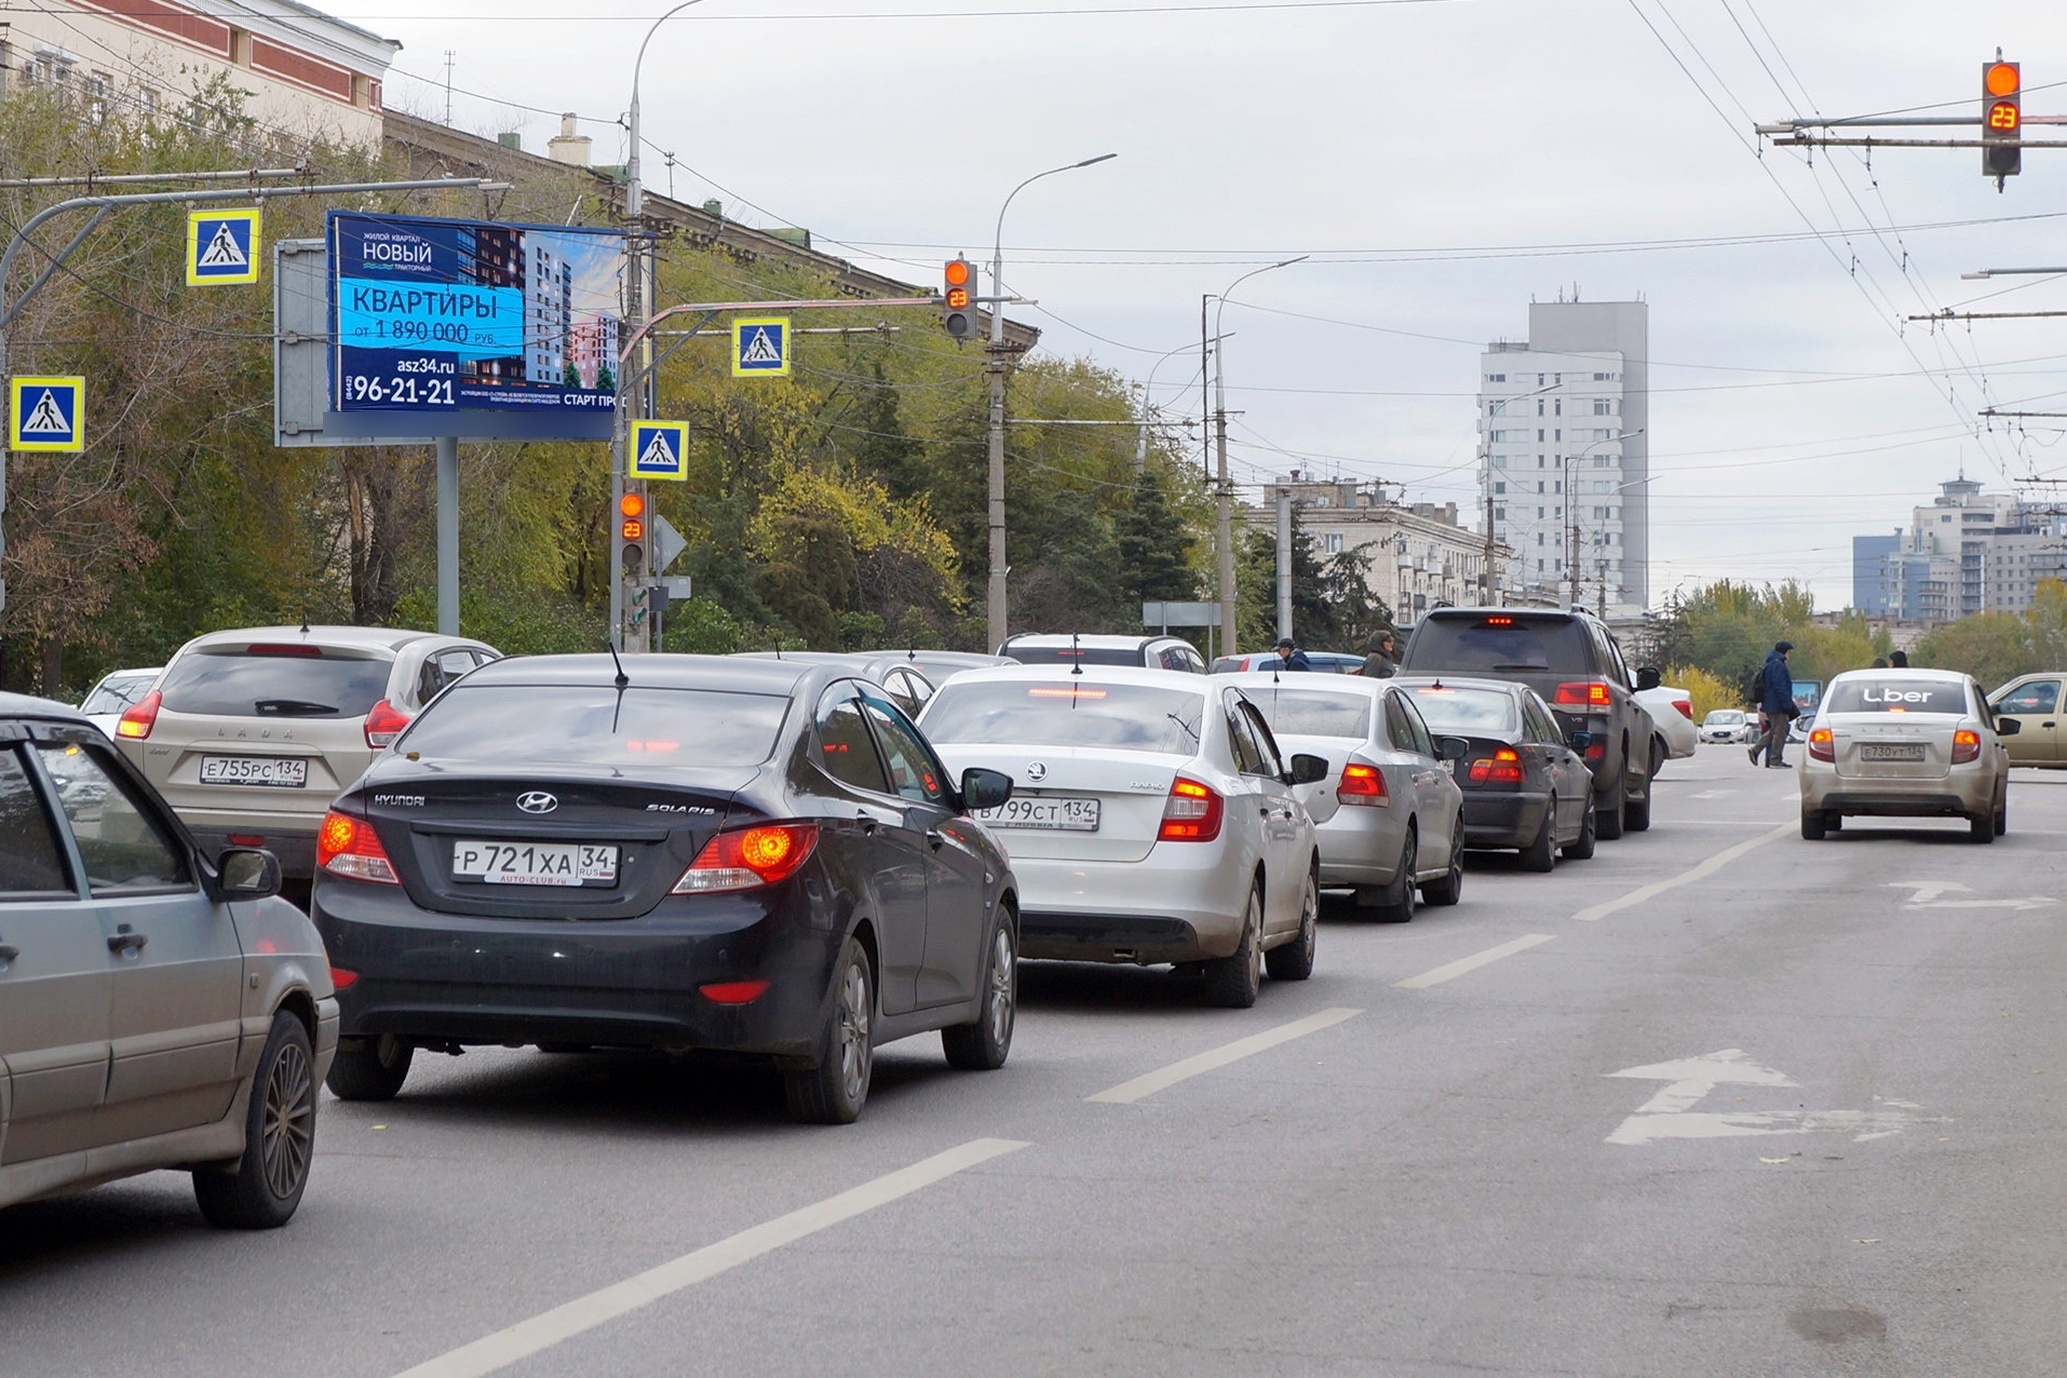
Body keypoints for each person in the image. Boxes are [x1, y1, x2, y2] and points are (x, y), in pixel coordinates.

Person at [1749, 640, 1796, 768]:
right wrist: (1787, 705)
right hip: (1777, 705)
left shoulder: (1771, 663)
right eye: (1789, 652)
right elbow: (1779, 687)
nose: (1789, 654)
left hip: (1772, 704)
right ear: (1785, 651)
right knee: (1779, 733)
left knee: (1776, 731)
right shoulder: (1777, 665)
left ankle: (1756, 751)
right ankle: (1775, 760)